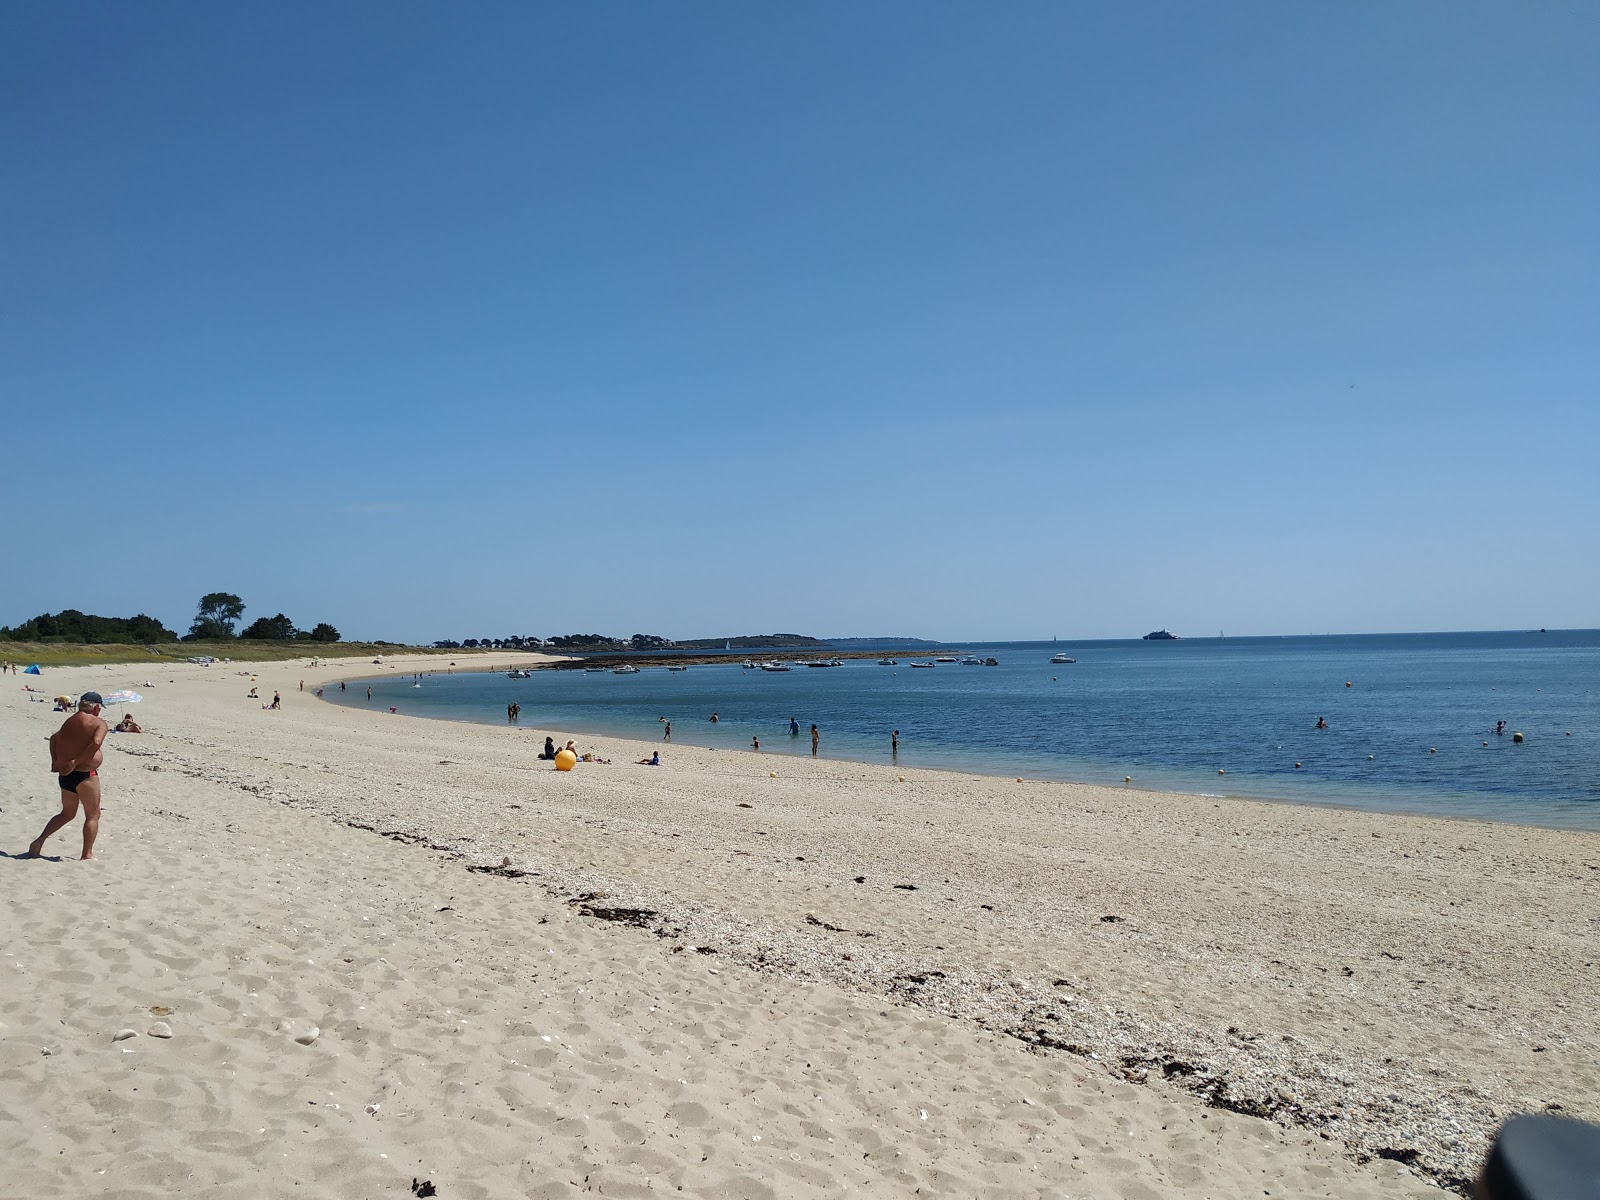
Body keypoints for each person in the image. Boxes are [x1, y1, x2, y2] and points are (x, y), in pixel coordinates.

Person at [30, 692, 108, 859]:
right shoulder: (99, 723)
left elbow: (53, 739)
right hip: (85, 775)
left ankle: (38, 842)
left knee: (67, 814)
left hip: (66, 776)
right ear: (96, 707)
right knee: (93, 814)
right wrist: (76, 761)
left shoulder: (69, 721)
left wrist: (55, 762)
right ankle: (87, 854)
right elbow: (96, 742)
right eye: (99, 708)